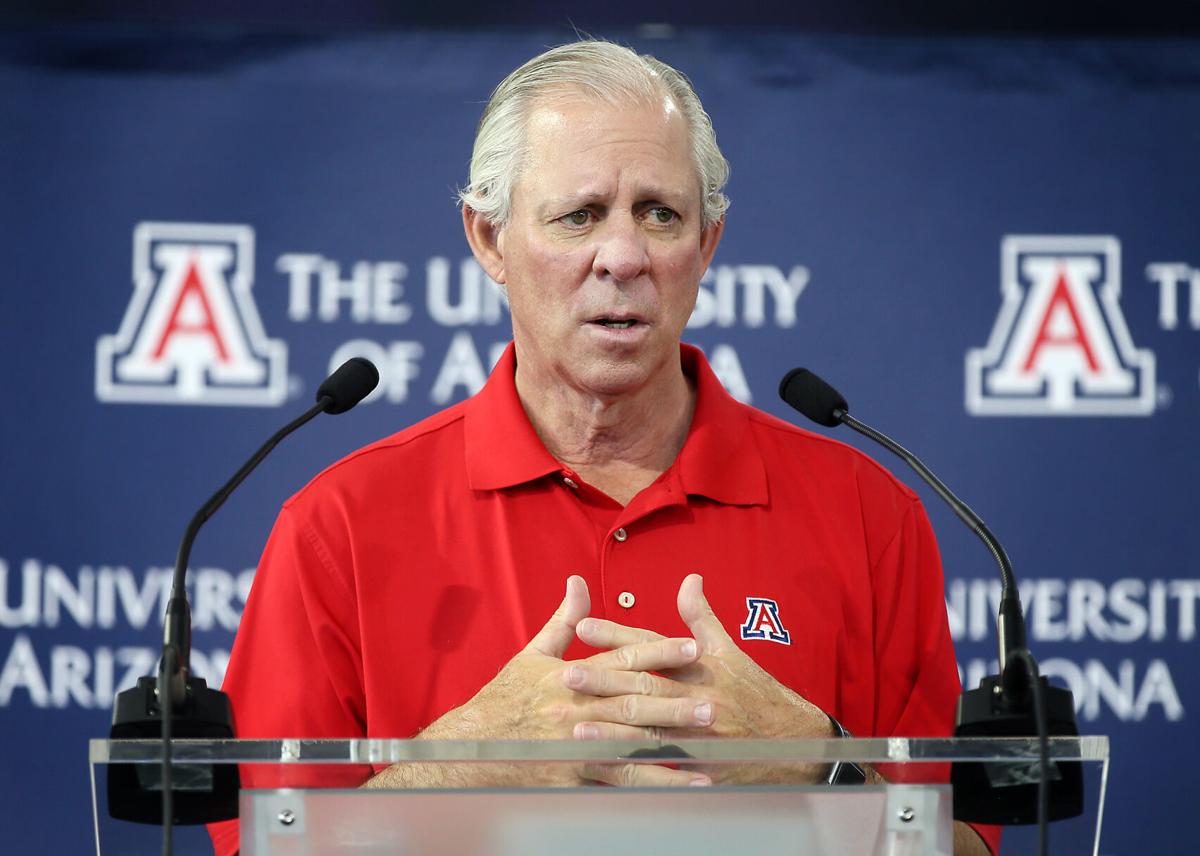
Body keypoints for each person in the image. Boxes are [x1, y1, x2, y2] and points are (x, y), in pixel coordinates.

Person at [209, 40, 997, 855]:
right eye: (579, 215)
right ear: (490, 240)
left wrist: (820, 766)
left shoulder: (868, 517)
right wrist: (460, 772)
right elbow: (264, 846)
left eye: (661, 214)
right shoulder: (338, 525)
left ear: (708, 244)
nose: (623, 256)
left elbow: (968, 846)